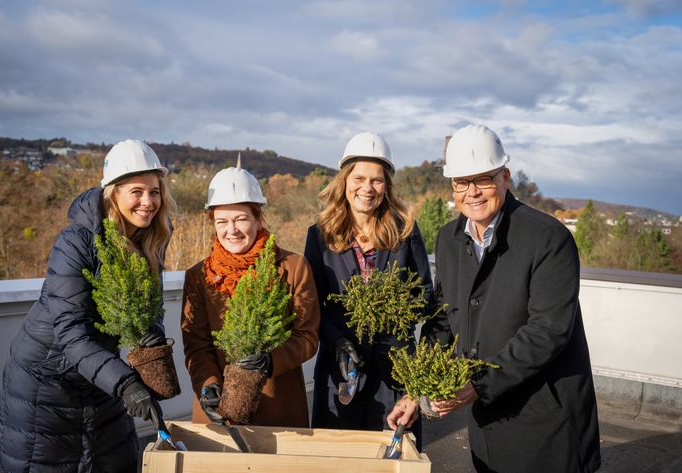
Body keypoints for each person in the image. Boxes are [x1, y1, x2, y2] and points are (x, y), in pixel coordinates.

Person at [387, 124, 601, 473]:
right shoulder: (449, 239)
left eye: (483, 179)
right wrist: (415, 389)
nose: (471, 192)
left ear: (505, 177)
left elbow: (548, 331)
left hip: (546, 423)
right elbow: (444, 320)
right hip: (488, 423)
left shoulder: (548, 238)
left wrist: (477, 384)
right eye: (461, 182)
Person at [0, 140, 176, 472]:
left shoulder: (150, 241)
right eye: (137, 191)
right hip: (47, 384)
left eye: (155, 191)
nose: (148, 202)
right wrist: (126, 383)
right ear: (113, 194)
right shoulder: (76, 241)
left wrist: (152, 342)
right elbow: (71, 335)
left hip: (99, 375)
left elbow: (149, 310)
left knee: (117, 458)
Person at [304, 131, 433, 445]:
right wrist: (338, 343)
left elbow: (426, 295)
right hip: (340, 375)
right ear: (345, 181)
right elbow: (312, 305)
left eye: (377, 180)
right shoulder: (320, 235)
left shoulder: (405, 232)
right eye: (359, 178)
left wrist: (395, 314)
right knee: (337, 459)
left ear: (386, 185)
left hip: (395, 374)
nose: (367, 188)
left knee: (394, 457)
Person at [181, 161, 320, 428]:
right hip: (219, 415)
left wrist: (271, 360)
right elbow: (197, 346)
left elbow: (307, 336)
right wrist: (208, 386)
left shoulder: (293, 267)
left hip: (279, 412)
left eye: (240, 219)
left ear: (258, 218)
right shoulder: (198, 276)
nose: (231, 230)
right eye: (222, 221)